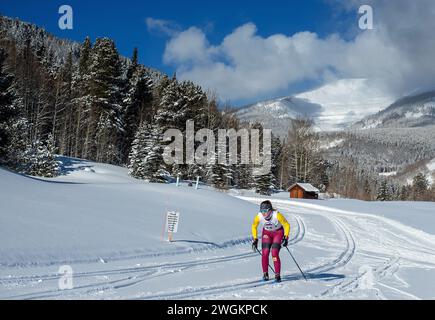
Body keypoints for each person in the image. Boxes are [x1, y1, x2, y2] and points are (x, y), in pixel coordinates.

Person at [251, 200, 290, 282]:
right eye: (261, 211)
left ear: (270, 210)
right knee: (265, 253)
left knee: (274, 253)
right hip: (267, 233)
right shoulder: (259, 216)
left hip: (278, 233)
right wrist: (255, 239)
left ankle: (277, 274)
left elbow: (286, 225)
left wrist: (286, 237)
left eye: (265, 211)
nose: (263, 213)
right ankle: (265, 274)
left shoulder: (277, 215)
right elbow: (254, 226)